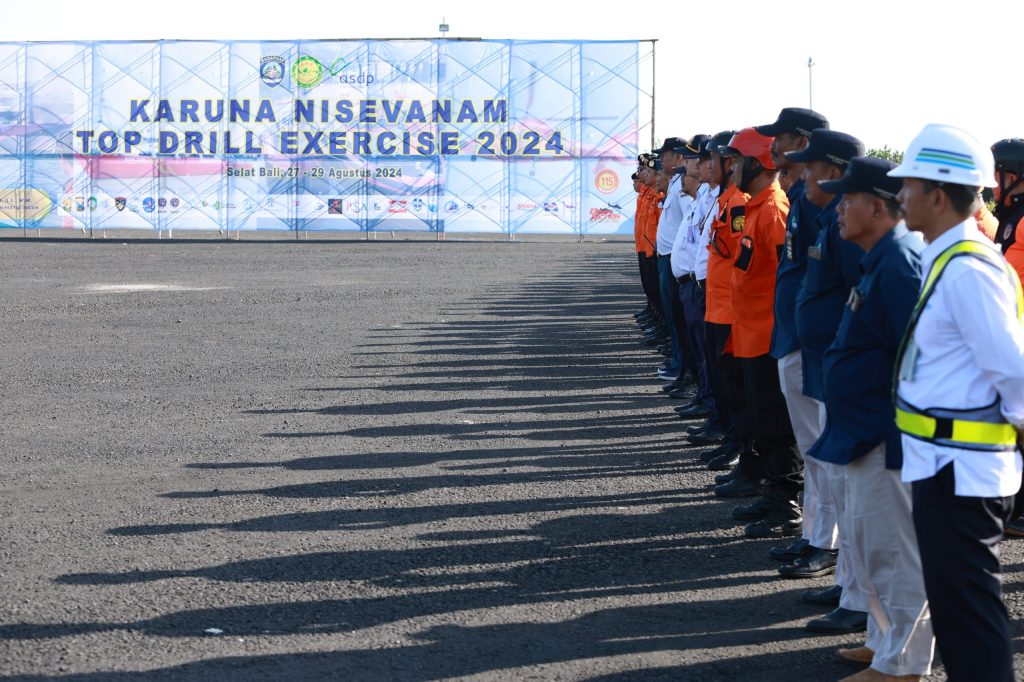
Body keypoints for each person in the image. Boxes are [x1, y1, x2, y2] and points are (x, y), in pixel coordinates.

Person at [890, 123, 1024, 682]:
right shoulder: (946, 259)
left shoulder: (969, 268)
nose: (898, 197)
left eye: (908, 186)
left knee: (970, 619)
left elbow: (1015, 376)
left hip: (962, 474)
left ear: (938, 195)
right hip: (943, 466)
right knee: (958, 613)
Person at [809, 156, 933, 681]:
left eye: (849, 198)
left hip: (886, 437)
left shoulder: (901, 263)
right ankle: (884, 643)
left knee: (895, 556)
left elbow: (921, 358)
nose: (839, 208)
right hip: (860, 433)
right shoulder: (881, 257)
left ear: (877, 207)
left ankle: (902, 666)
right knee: (869, 549)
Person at [752, 108, 833, 569]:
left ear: (803, 142)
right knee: (812, 448)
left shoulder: (819, 199)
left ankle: (827, 541)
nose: (773, 148)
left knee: (823, 449)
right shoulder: (801, 193)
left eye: (779, 139)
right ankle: (815, 534)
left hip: (810, 340)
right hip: (793, 335)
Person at [720, 127, 803, 538]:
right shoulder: (756, 208)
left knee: (776, 423)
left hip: (770, 336)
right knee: (760, 419)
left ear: (755, 163)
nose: (730, 168)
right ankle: (772, 492)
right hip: (750, 333)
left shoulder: (774, 211)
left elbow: (790, 279)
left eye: (736, 160)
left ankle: (787, 502)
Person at [670, 135, 716, 420]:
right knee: (698, 349)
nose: (687, 166)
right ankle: (704, 396)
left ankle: (711, 403)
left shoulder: (720, 198)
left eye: (690, 160)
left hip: (701, 285)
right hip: (689, 282)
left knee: (706, 353)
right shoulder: (705, 196)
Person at [654, 137, 691, 381]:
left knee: (680, 320)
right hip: (667, 258)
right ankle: (678, 360)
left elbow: (688, 224)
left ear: (678, 157)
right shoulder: (676, 183)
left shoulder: (682, 187)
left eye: (665, 154)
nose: (661, 159)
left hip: (674, 262)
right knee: (672, 317)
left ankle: (682, 366)